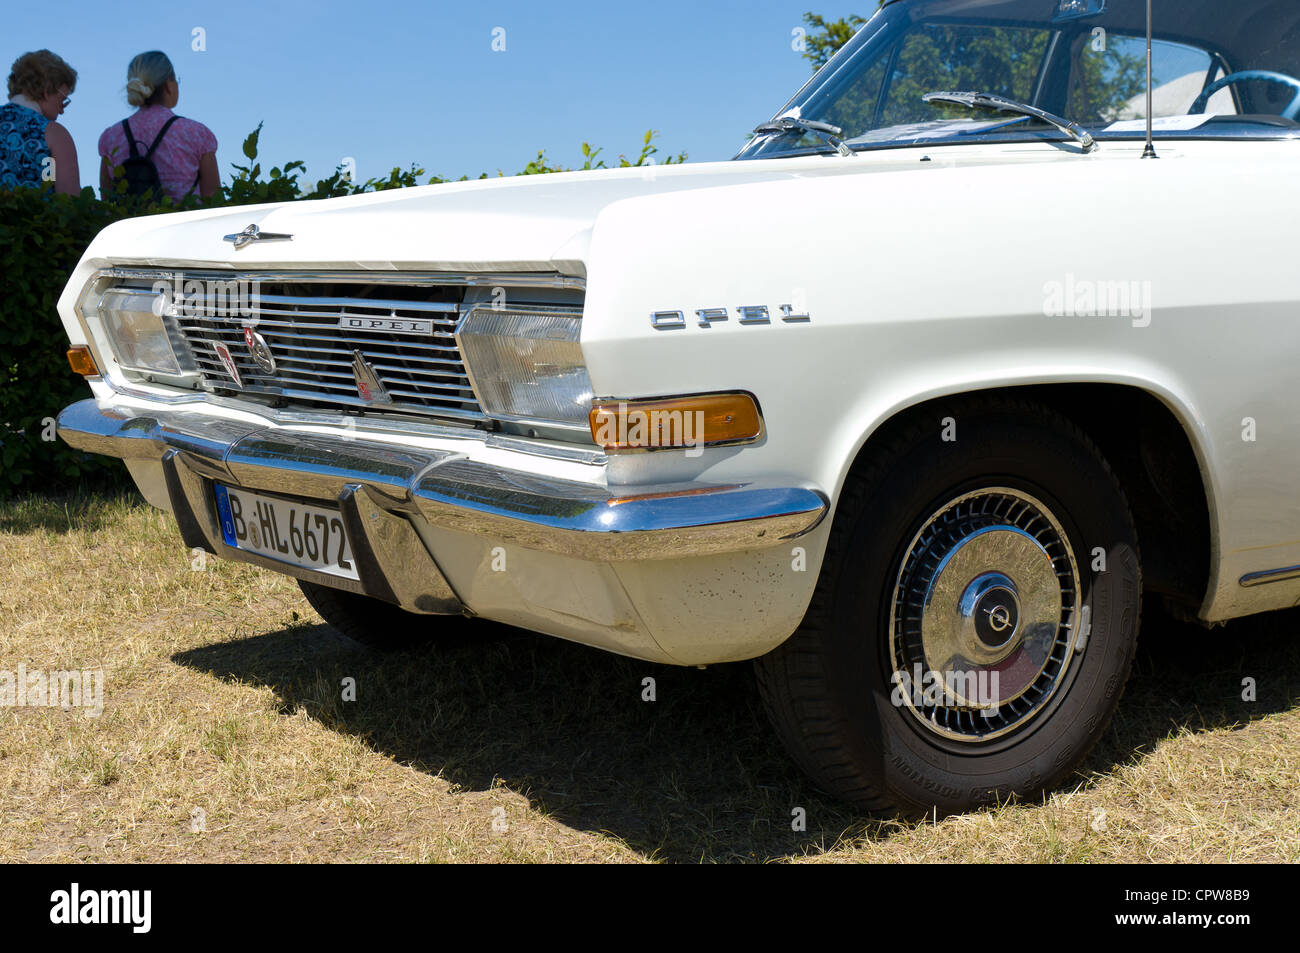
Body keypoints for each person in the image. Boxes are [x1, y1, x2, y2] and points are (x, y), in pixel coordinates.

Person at [98, 51, 218, 202]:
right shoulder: (197, 134)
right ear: (169, 85)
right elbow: (214, 201)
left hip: (135, 225)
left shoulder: (110, 138)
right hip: (185, 225)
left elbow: (107, 202)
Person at [1, 50, 80, 195]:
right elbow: (70, 203)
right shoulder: (54, 133)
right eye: (63, 100)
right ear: (47, 90)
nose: (62, 111)